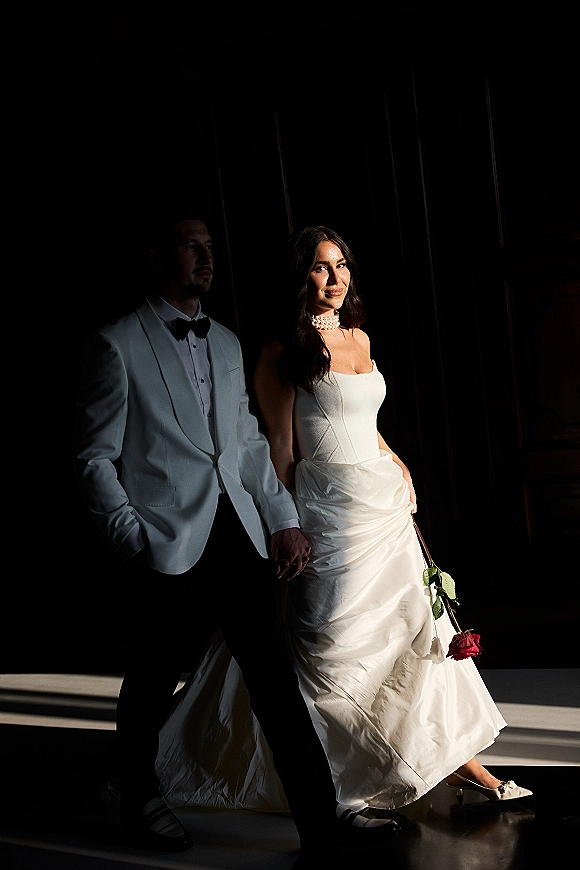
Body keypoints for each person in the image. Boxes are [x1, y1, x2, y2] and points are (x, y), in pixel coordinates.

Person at [154, 225, 532, 818]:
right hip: (327, 511)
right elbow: (279, 448)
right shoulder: (282, 350)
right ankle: (334, 776)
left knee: (414, 638)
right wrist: (279, 526)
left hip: (382, 504)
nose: (337, 278)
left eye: (343, 266)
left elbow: (364, 421)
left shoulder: (360, 338)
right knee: (332, 646)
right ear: (301, 276)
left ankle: (454, 762)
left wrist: (397, 461)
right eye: (322, 268)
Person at [72, 212, 402, 859]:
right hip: (168, 543)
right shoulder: (117, 344)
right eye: (190, 247)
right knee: (151, 679)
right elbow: (91, 456)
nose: (205, 259)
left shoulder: (224, 341)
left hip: (245, 537)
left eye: (209, 248)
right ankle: (141, 797)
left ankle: (319, 819)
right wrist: (131, 534)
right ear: (154, 255)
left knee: (276, 682)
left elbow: (249, 447)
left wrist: (281, 517)